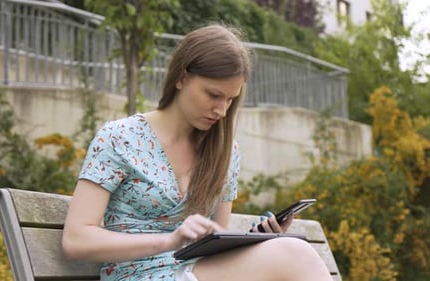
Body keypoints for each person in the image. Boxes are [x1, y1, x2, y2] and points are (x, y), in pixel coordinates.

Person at [62, 24, 333, 281]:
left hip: (195, 271)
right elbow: (76, 239)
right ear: (181, 77)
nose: (222, 110)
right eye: (213, 95)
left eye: (230, 99)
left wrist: (258, 240)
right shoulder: (120, 138)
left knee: (289, 252)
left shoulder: (224, 151)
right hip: (139, 274)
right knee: (295, 254)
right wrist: (169, 241)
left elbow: (217, 237)